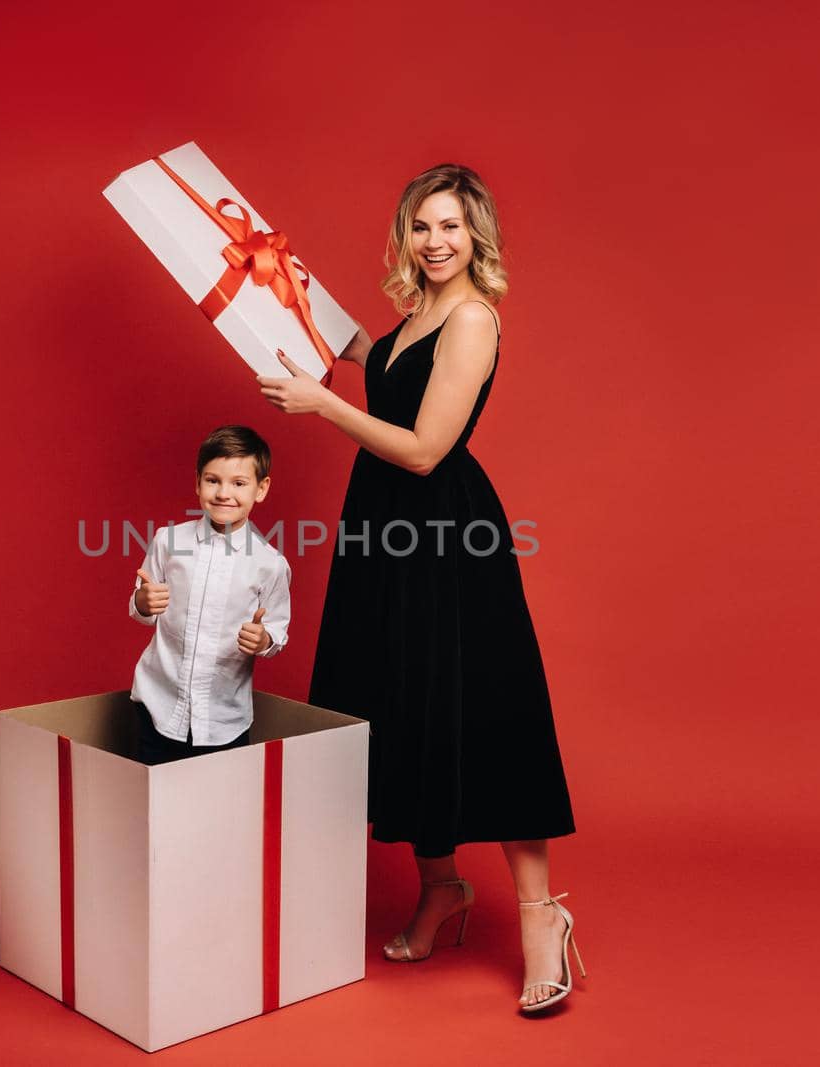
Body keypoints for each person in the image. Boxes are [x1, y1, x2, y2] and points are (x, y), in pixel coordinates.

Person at [257, 164, 583, 1012]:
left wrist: (319, 406)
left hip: (447, 536)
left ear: (478, 235)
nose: (435, 242)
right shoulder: (419, 316)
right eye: (421, 227)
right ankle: (441, 887)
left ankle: (542, 917)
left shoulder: (473, 318)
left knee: (486, 713)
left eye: (451, 227)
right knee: (400, 701)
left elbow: (424, 448)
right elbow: (388, 366)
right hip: (386, 534)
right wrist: (310, 310)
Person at [128, 425, 292, 765]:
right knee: (155, 805)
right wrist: (142, 602)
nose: (223, 493)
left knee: (218, 809)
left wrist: (263, 639)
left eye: (239, 483)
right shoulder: (168, 541)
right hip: (158, 705)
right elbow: (142, 606)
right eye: (212, 480)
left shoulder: (270, 564)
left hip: (223, 721)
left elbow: (277, 630)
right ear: (198, 482)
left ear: (261, 489)